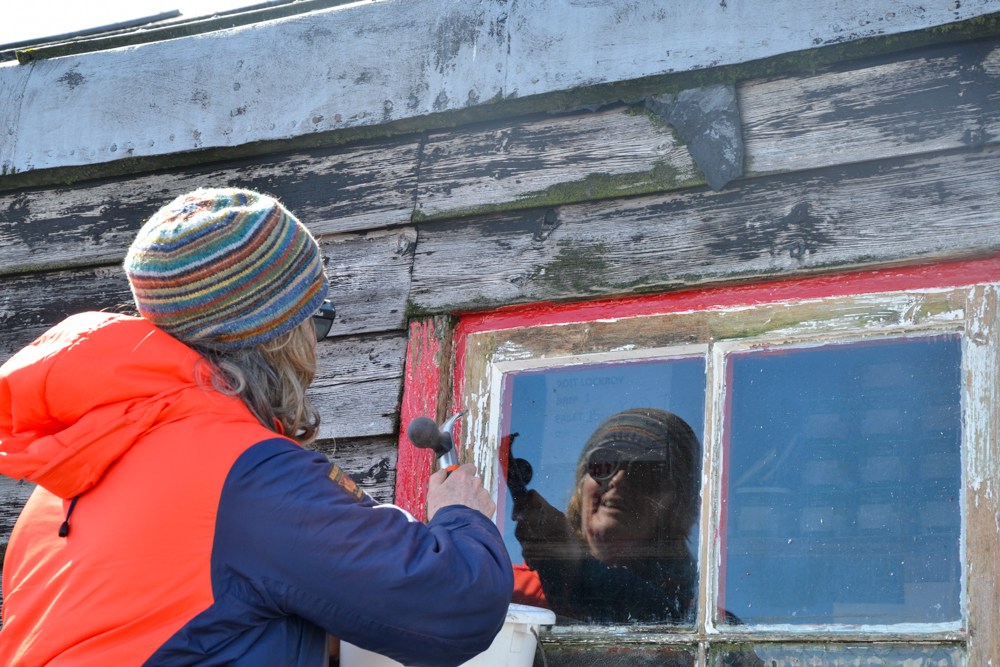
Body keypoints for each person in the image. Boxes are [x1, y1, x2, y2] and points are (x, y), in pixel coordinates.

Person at [0, 188, 513, 666]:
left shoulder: (62, 483)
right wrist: (463, 518)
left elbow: (183, 627)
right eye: (317, 320)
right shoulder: (250, 476)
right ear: (275, 337)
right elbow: (453, 605)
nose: (317, 347)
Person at [509, 407, 700, 624]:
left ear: (679, 503)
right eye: (603, 465)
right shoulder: (508, 592)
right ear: (582, 488)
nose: (618, 480)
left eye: (645, 471)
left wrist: (570, 564)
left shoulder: (699, 618)